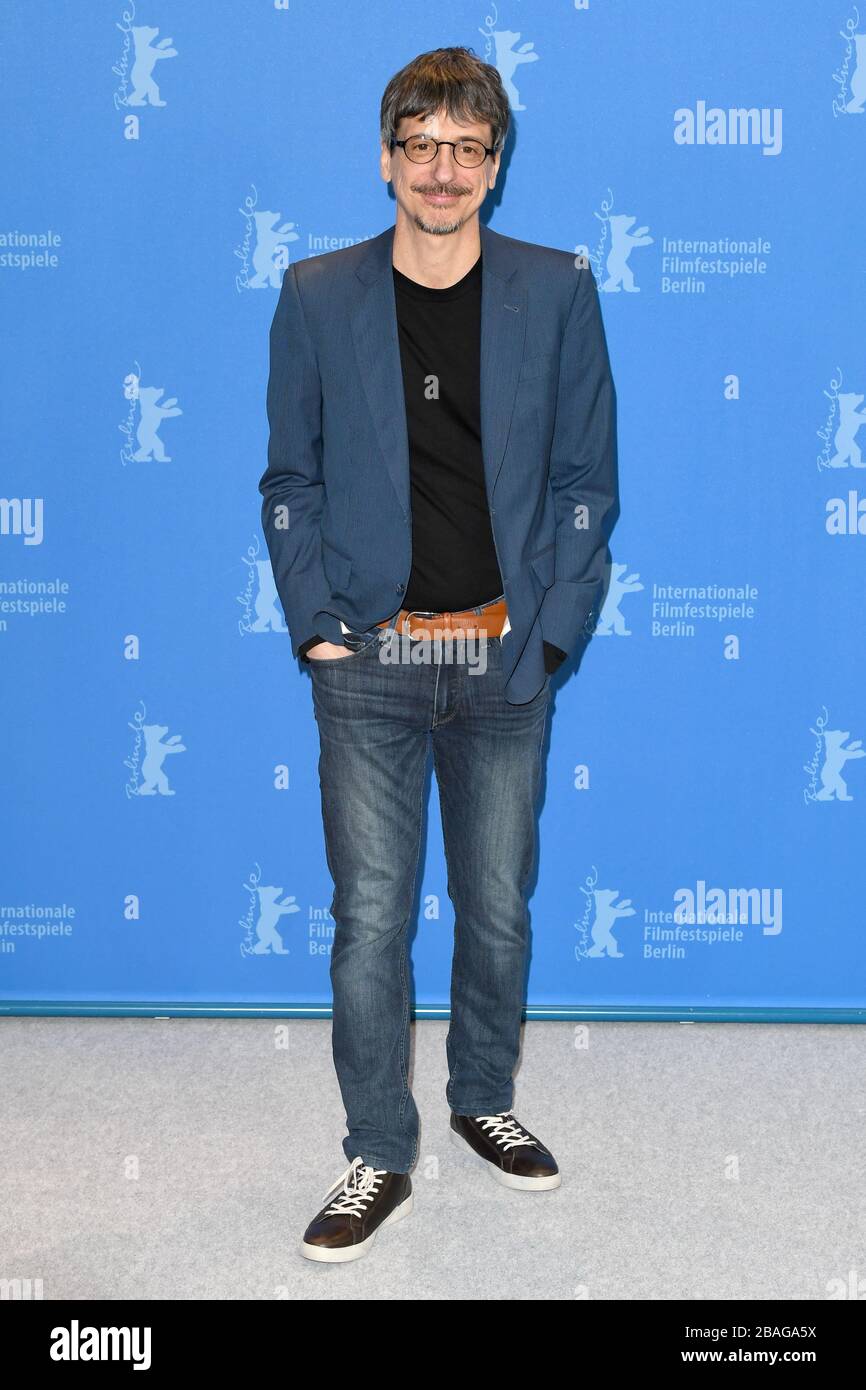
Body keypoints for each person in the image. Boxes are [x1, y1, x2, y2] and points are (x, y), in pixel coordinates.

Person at [259, 45, 618, 1263]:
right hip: (365, 659)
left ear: (496, 164)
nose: (442, 170)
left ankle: (480, 1097)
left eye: (466, 147)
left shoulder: (558, 290)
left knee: (496, 907)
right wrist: (311, 618)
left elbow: (583, 483)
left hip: (504, 658)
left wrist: (554, 628)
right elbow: (289, 480)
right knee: (368, 917)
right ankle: (376, 1148)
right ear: (385, 158)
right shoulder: (314, 295)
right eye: (420, 145)